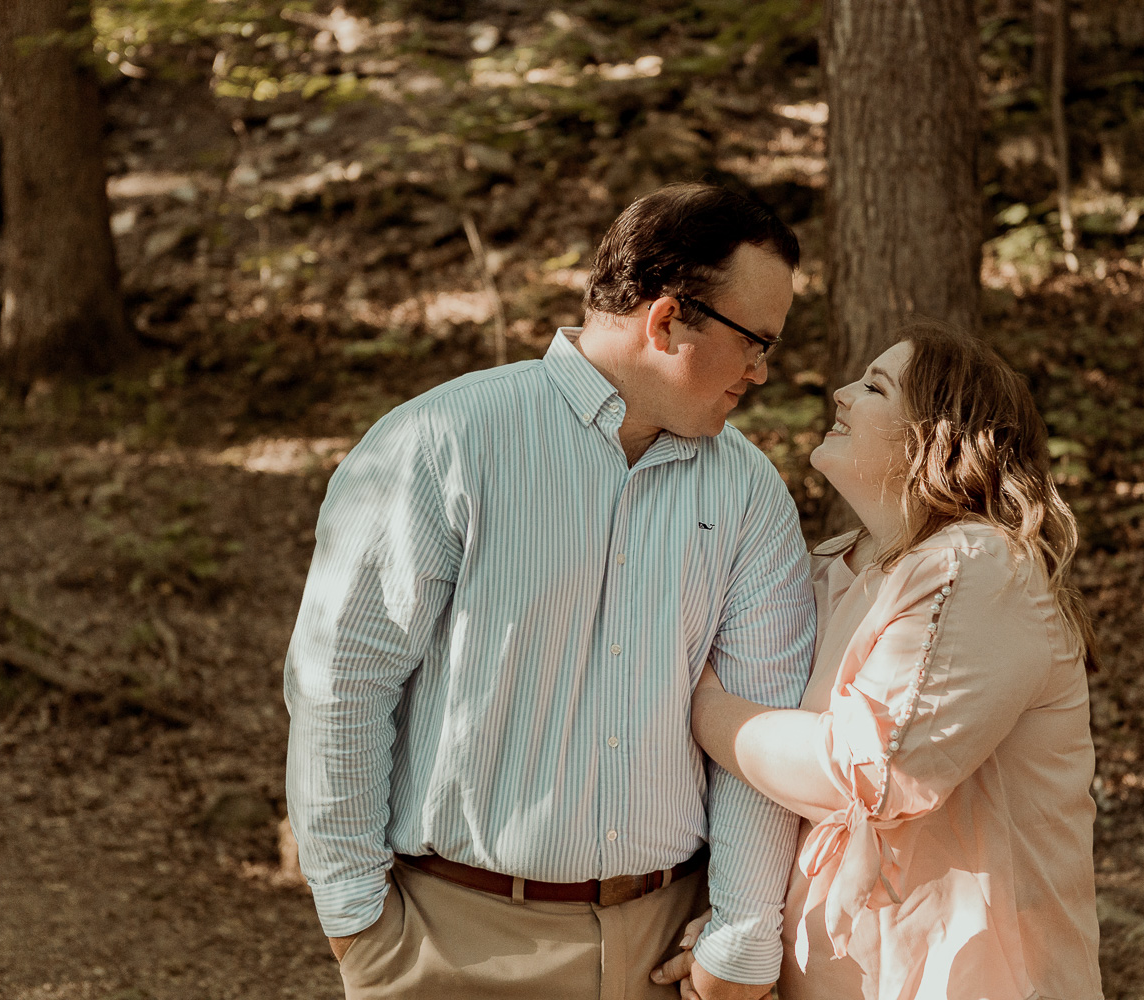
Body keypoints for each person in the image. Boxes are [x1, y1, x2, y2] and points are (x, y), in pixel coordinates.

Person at [283, 183, 817, 1000]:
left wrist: (741, 935)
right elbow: (342, 682)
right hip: (450, 942)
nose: (762, 370)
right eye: (755, 341)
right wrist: (358, 919)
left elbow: (760, 715)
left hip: (667, 947)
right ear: (667, 319)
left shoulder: (749, 492)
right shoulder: (443, 443)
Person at [654, 324, 1105, 1000]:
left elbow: (874, 770)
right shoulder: (836, 568)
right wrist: (738, 925)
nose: (838, 394)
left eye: (874, 386)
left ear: (940, 433)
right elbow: (787, 785)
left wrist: (703, 707)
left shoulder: (981, 567)